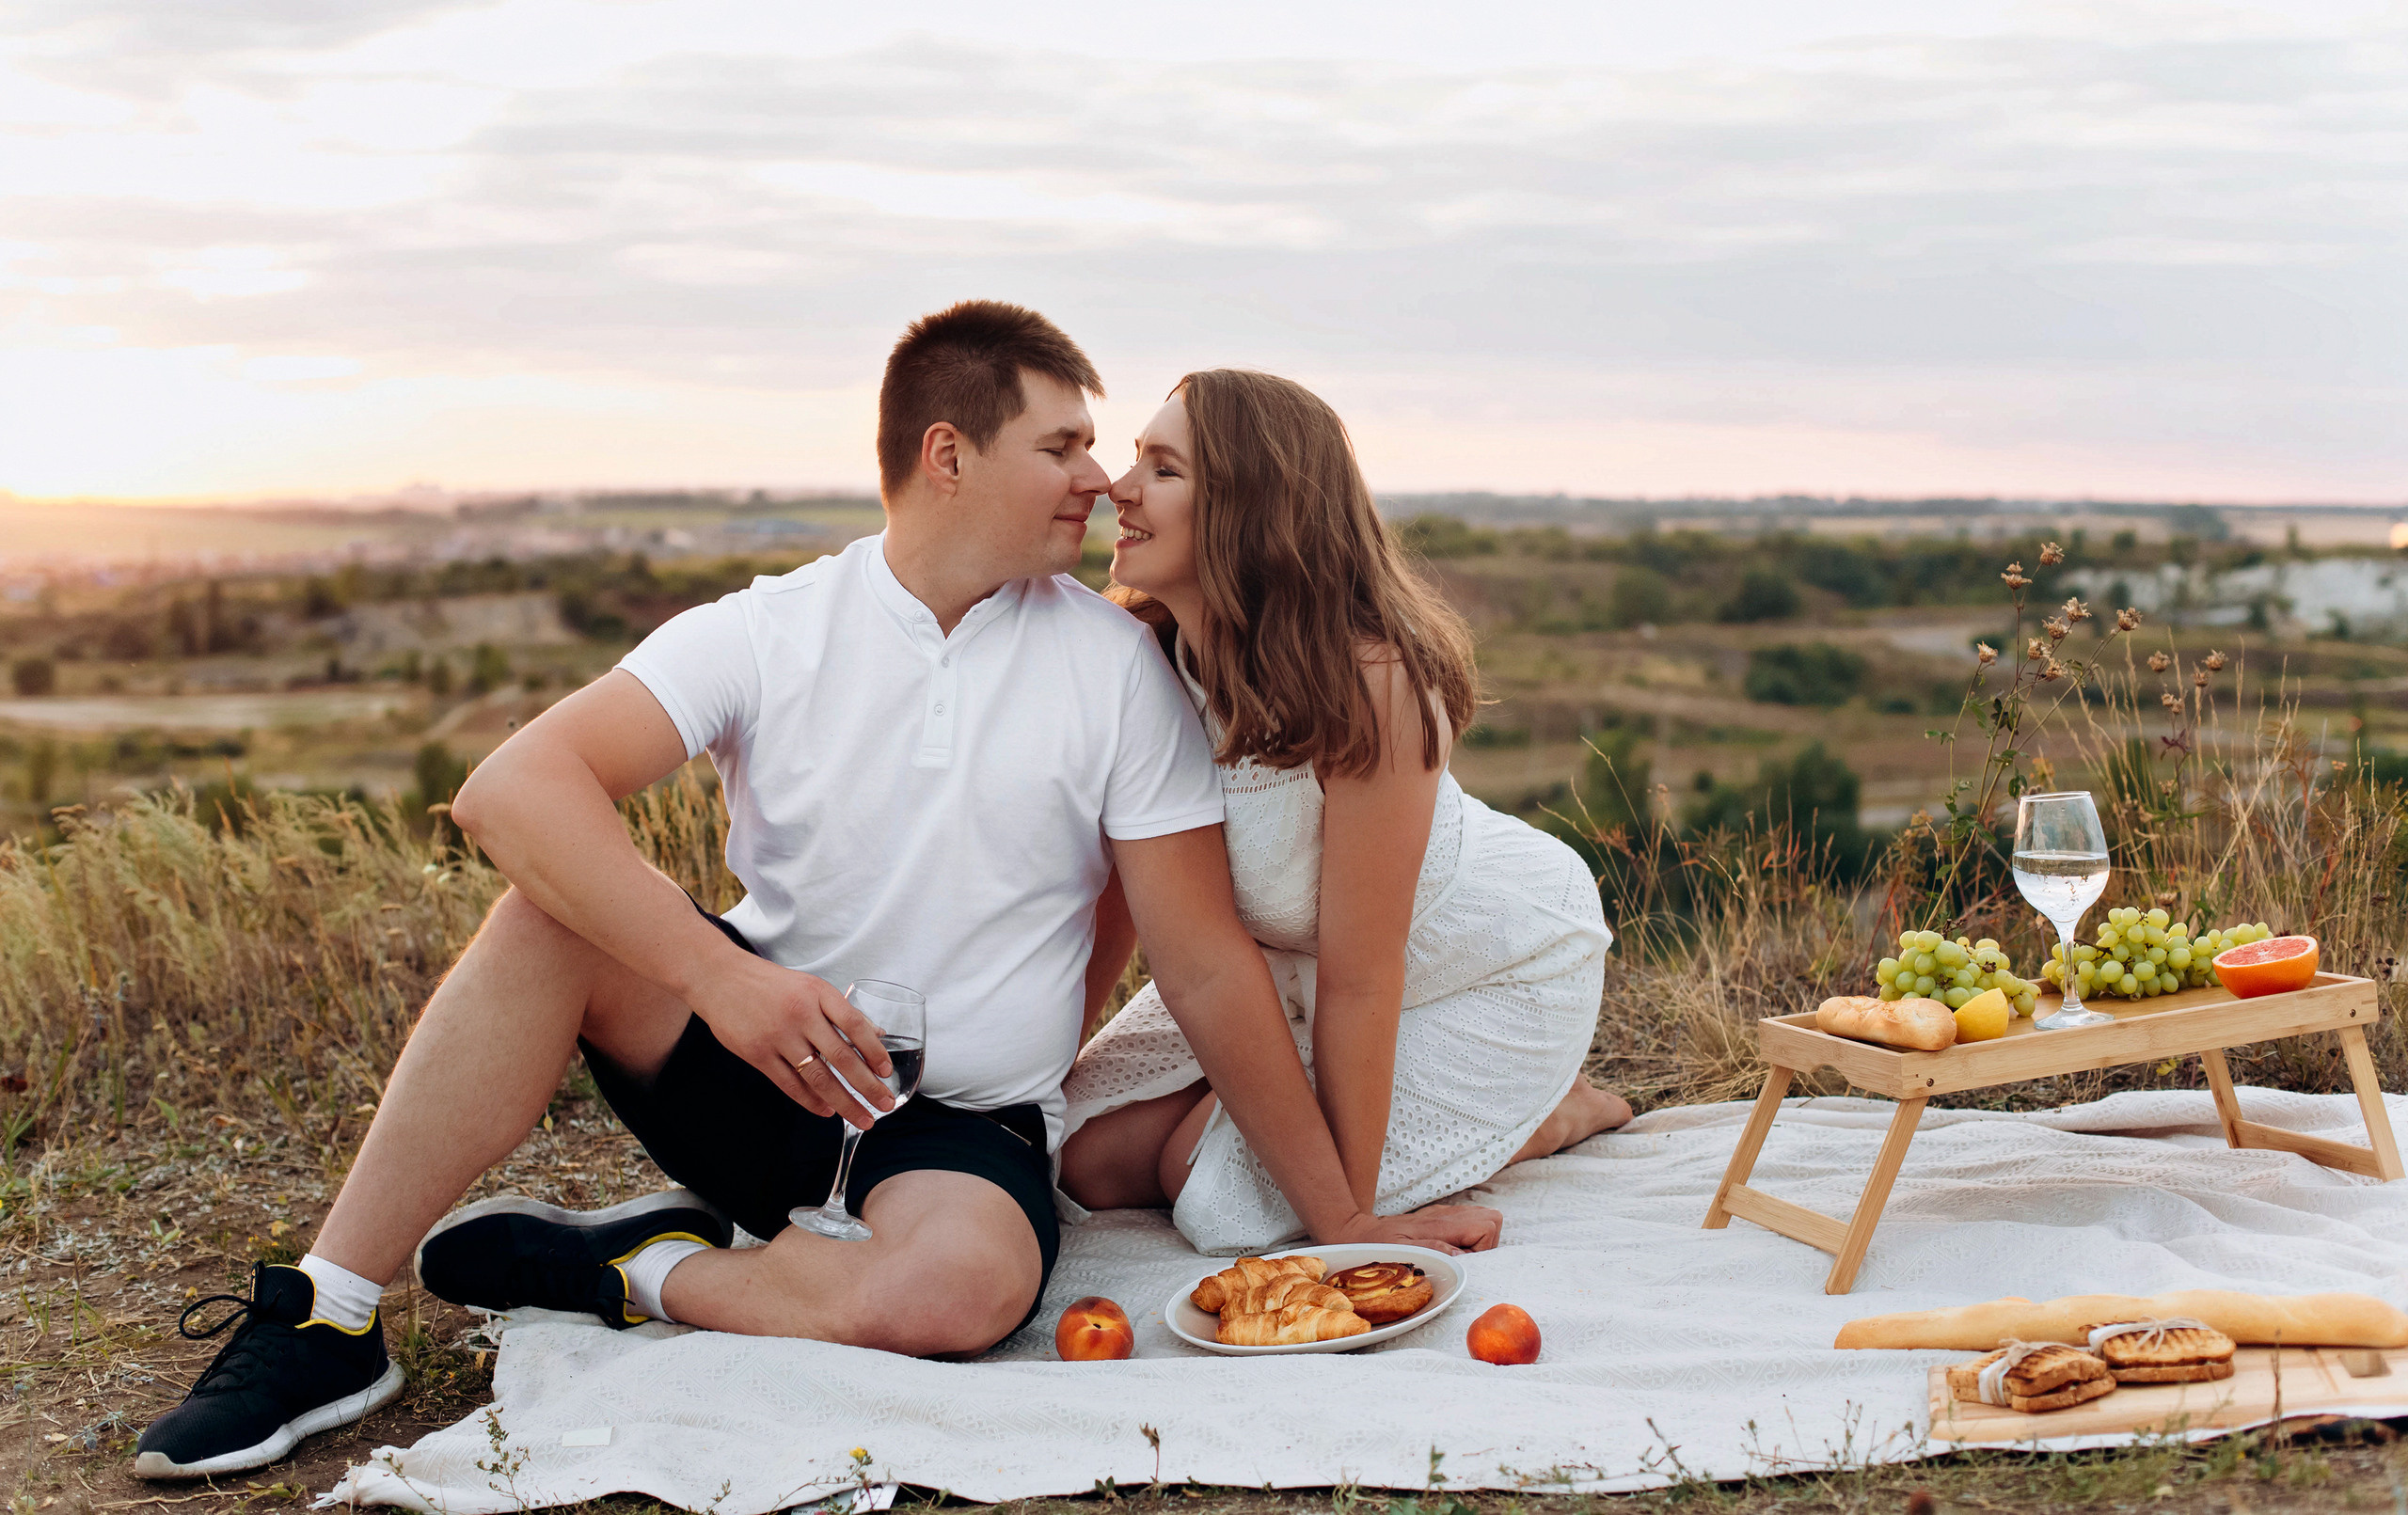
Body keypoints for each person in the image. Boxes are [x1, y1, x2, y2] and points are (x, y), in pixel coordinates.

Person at [134, 306, 1499, 1481]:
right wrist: (729, 980)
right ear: (947, 454)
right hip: (753, 1070)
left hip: (957, 1127)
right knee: (551, 908)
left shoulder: (1119, 667)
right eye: (1064, 444)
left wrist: (1342, 1220)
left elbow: (1203, 966)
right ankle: (328, 1309)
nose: (1098, 479)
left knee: (964, 1292)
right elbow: (512, 789)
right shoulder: (766, 627)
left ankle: (638, 1267)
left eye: (1108, 448)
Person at [1056, 370, 1629, 1254]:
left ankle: (1556, 1109)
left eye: (1162, 469)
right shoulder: (1143, 655)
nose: (1115, 487)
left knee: (1210, 1201)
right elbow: (1117, 904)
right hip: (1288, 979)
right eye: (1135, 459)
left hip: (1483, 966)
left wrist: (1349, 1220)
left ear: (1253, 510)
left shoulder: (1371, 682)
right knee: (1084, 1161)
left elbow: (1366, 977)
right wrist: (1036, 1077)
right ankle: (1276, 1112)